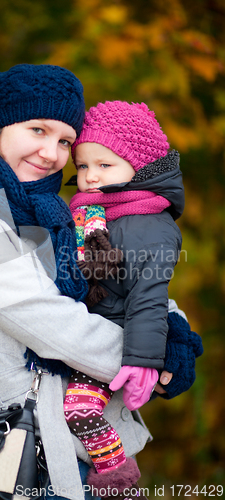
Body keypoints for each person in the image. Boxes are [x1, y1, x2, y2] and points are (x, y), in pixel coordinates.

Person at [0, 65, 200, 500]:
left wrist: (175, 331)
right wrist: (151, 359)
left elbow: (118, 287)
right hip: (31, 456)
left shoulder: (50, 213)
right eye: (38, 129)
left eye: (64, 141)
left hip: (88, 451)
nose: (52, 153)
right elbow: (53, 325)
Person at [64, 100, 203, 495]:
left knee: (80, 409)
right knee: (80, 410)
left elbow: (149, 299)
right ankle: (116, 478)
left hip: (120, 337)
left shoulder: (150, 225)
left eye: (104, 165)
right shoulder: (90, 214)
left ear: (138, 167)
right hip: (96, 331)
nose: (90, 176)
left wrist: (143, 361)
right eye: (83, 166)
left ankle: (119, 482)